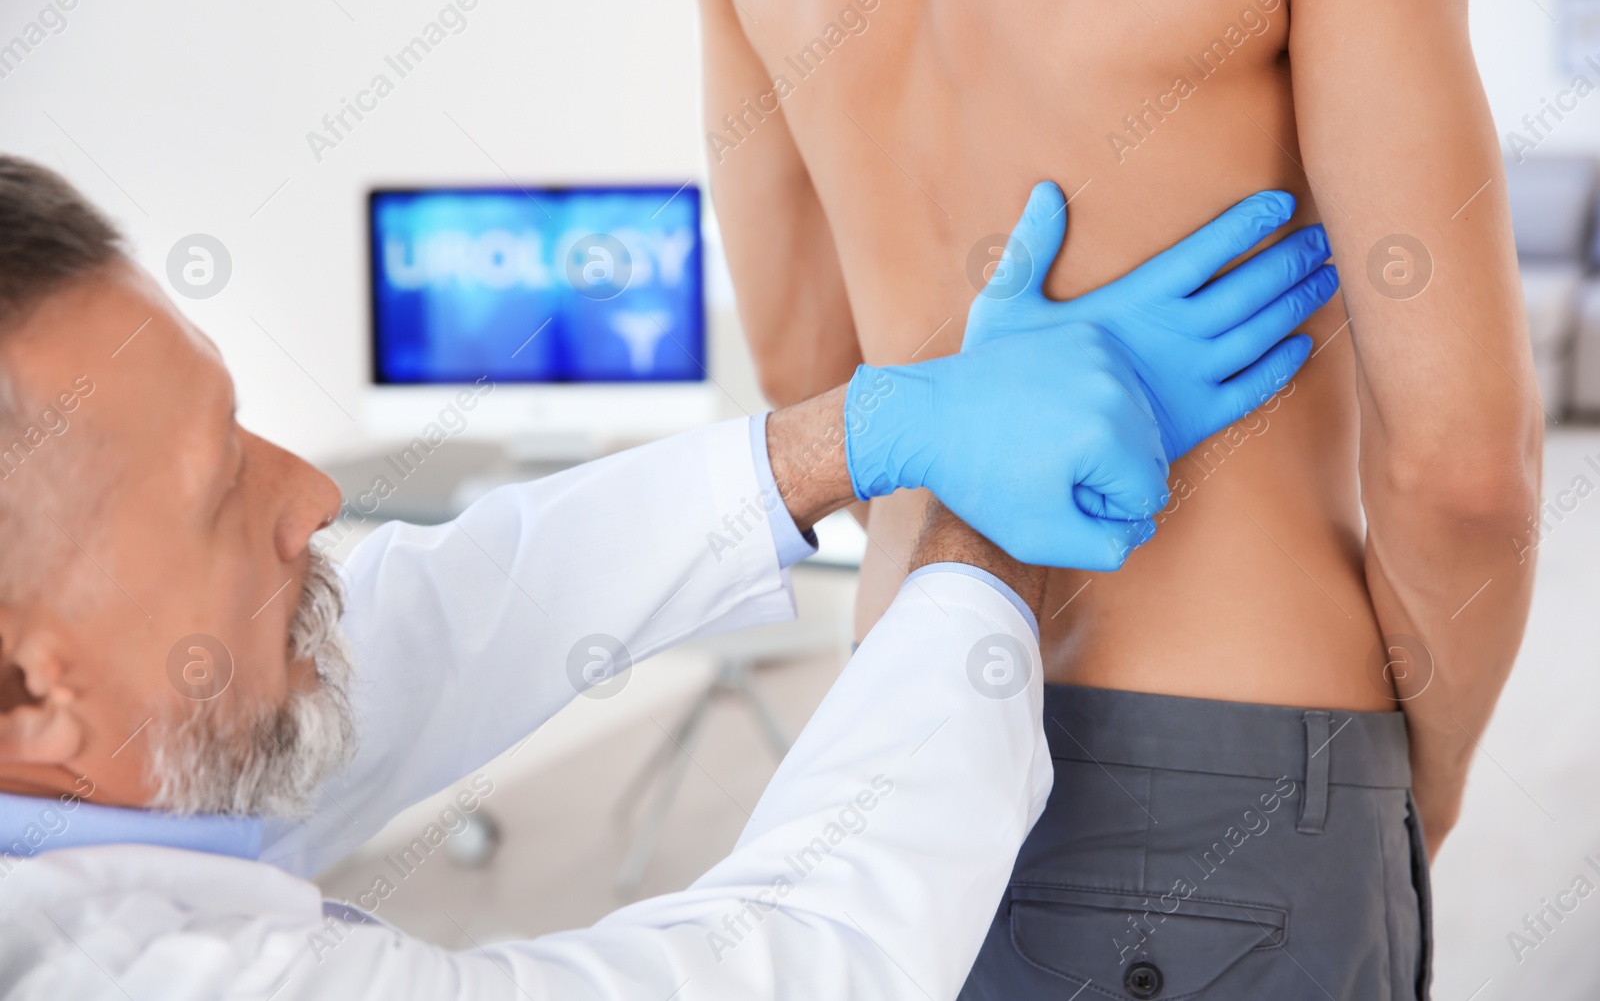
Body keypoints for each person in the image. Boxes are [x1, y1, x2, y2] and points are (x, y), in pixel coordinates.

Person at [0, 156, 1325, 998]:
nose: (316, 495)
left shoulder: (81, 749)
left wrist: (875, 429)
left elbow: (456, 614)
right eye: (219, 487)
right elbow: (802, 960)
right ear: (27, 690)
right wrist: (981, 528)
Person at [693, 0, 1542, 997]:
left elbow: (808, 376)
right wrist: (1429, 778)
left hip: (897, 716)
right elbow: (1464, 476)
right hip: (1241, 763)